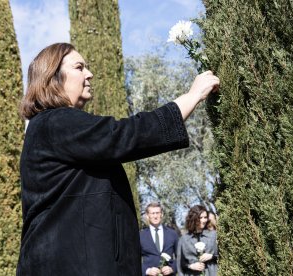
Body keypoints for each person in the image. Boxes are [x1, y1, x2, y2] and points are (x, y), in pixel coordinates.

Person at [16, 42, 220, 276]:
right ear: (53, 76)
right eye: (79, 67)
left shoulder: (53, 127)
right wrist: (192, 96)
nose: (90, 74)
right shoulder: (54, 122)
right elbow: (126, 135)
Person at [177, 205, 218, 276]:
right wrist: (191, 266)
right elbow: (180, 264)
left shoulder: (213, 235)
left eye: (205, 217)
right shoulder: (184, 239)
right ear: (193, 218)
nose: (203, 220)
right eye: (200, 217)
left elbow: (223, 256)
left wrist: (212, 256)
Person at [140, 202, 178, 276]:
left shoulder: (172, 234)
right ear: (147, 216)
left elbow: (181, 257)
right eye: (152, 213)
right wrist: (147, 270)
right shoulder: (141, 236)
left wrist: (172, 268)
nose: (155, 216)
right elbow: (133, 260)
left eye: (157, 213)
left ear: (162, 214)